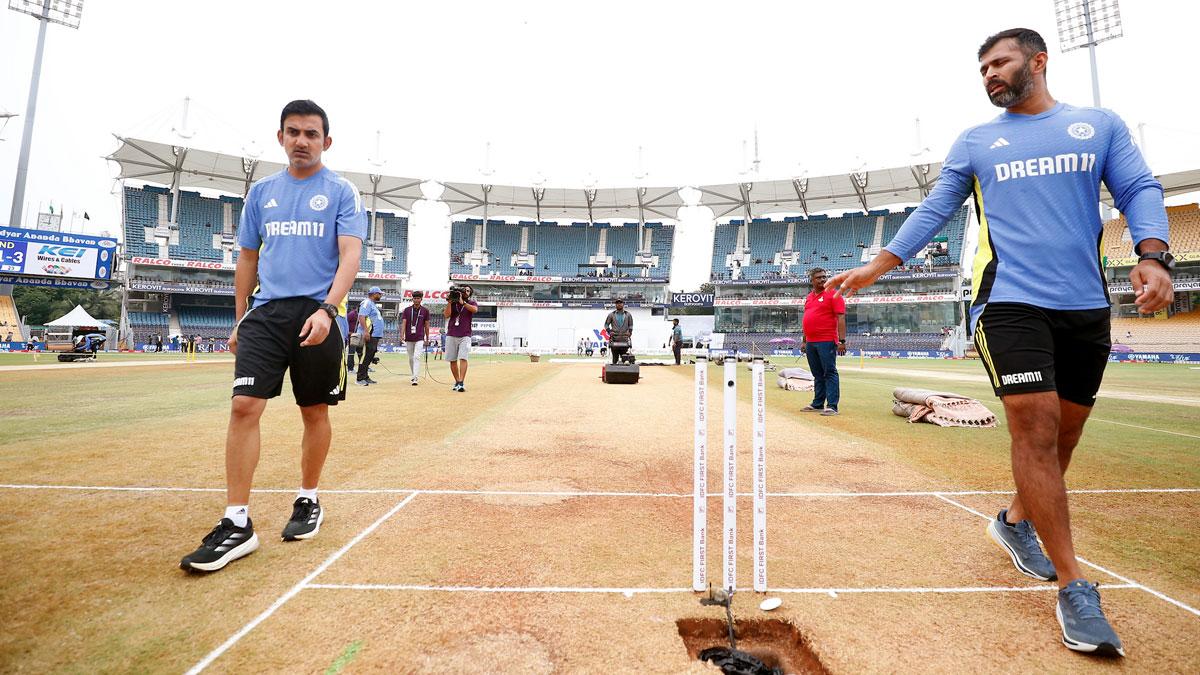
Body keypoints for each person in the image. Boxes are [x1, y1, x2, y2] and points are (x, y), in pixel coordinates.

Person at [829, 29, 1173, 657]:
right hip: (1009, 302)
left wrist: (1153, 254)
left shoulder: (1096, 126)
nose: (989, 75)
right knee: (1035, 430)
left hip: (1085, 306)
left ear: (1037, 62)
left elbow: (1140, 190)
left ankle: (1014, 521)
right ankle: (1074, 586)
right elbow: (936, 208)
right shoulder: (978, 141)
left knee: (1062, 438)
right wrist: (878, 266)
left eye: (999, 63)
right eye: (982, 68)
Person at [180, 99, 366, 573]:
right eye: (292, 132)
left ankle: (308, 499)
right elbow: (247, 258)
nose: (301, 141)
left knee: (313, 410)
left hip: (318, 314)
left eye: (310, 133)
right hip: (266, 313)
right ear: (280, 137)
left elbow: (349, 257)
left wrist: (329, 309)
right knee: (244, 406)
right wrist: (240, 317)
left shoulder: (342, 192)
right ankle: (237, 521)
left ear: (326, 141)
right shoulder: (261, 193)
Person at [800, 268, 846, 415]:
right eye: (819, 277)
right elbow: (806, 319)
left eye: (824, 277)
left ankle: (832, 406)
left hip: (827, 340)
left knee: (830, 372)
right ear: (812, 280)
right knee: (817, 374)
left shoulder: (834, 294)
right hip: (811, 342)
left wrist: (842, 341)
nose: (822, 280)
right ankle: (818, 403)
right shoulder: (809, 297)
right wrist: (804, 341)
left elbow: (841, 318)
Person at [443, 285, 477, 391]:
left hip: (465, 335)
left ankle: (461, 382)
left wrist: (464, 303)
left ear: (470, 294)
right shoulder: (453, 302)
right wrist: (449, 301)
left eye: (468, 291)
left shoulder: (471, 303)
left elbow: (474, 310)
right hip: (452, 333)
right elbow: (446, 315)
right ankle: (457, 381)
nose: (466, 292)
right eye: (464, 290)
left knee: (463, 357)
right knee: (452, 360)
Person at [401, 290, 431, 386]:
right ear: (412, 299)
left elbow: (427, 325)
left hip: (420, 337)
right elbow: (404, 323)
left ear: (421, 299)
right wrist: (402, 334)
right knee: (410, 358)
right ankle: (413, 374)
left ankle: (415, 377)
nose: (416, 300)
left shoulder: (425, 311)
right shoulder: (407, 310)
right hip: (409, 337)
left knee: (417, 356)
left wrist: (427, 337)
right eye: (415, 298)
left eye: (418, 298)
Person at [356, 287, 384, 386]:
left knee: (369, 356)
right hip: (369, 334)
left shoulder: (372, 304)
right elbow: (361, 316)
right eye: (379, 294)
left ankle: (365, 376)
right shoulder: (367, 302)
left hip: (374, 334)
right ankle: (359, 378)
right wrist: (366, 331)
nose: (381, 295)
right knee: (365, 356)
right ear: (374, 293)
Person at [603, 299, 633, 364]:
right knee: (615, 358)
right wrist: (609, 331)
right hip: (614, 339)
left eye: (620, 303)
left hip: (624, 339)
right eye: (617, 303)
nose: (619, 304)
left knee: (625, 359)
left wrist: (630, 333)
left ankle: (624, 373)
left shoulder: (628, 315)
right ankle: (614, 371)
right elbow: (606, 324)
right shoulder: (611, 315)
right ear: (615, 305)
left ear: (623, 304)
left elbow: (631, 325)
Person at [345, 304, 362, 371]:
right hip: (350, 336)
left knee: (360, 352)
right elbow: (346, 321)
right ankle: (350, 368)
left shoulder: (360, 315)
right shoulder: (352, 314)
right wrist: (348, 331)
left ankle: (364, 367)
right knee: (351, 352)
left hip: (357, 336)